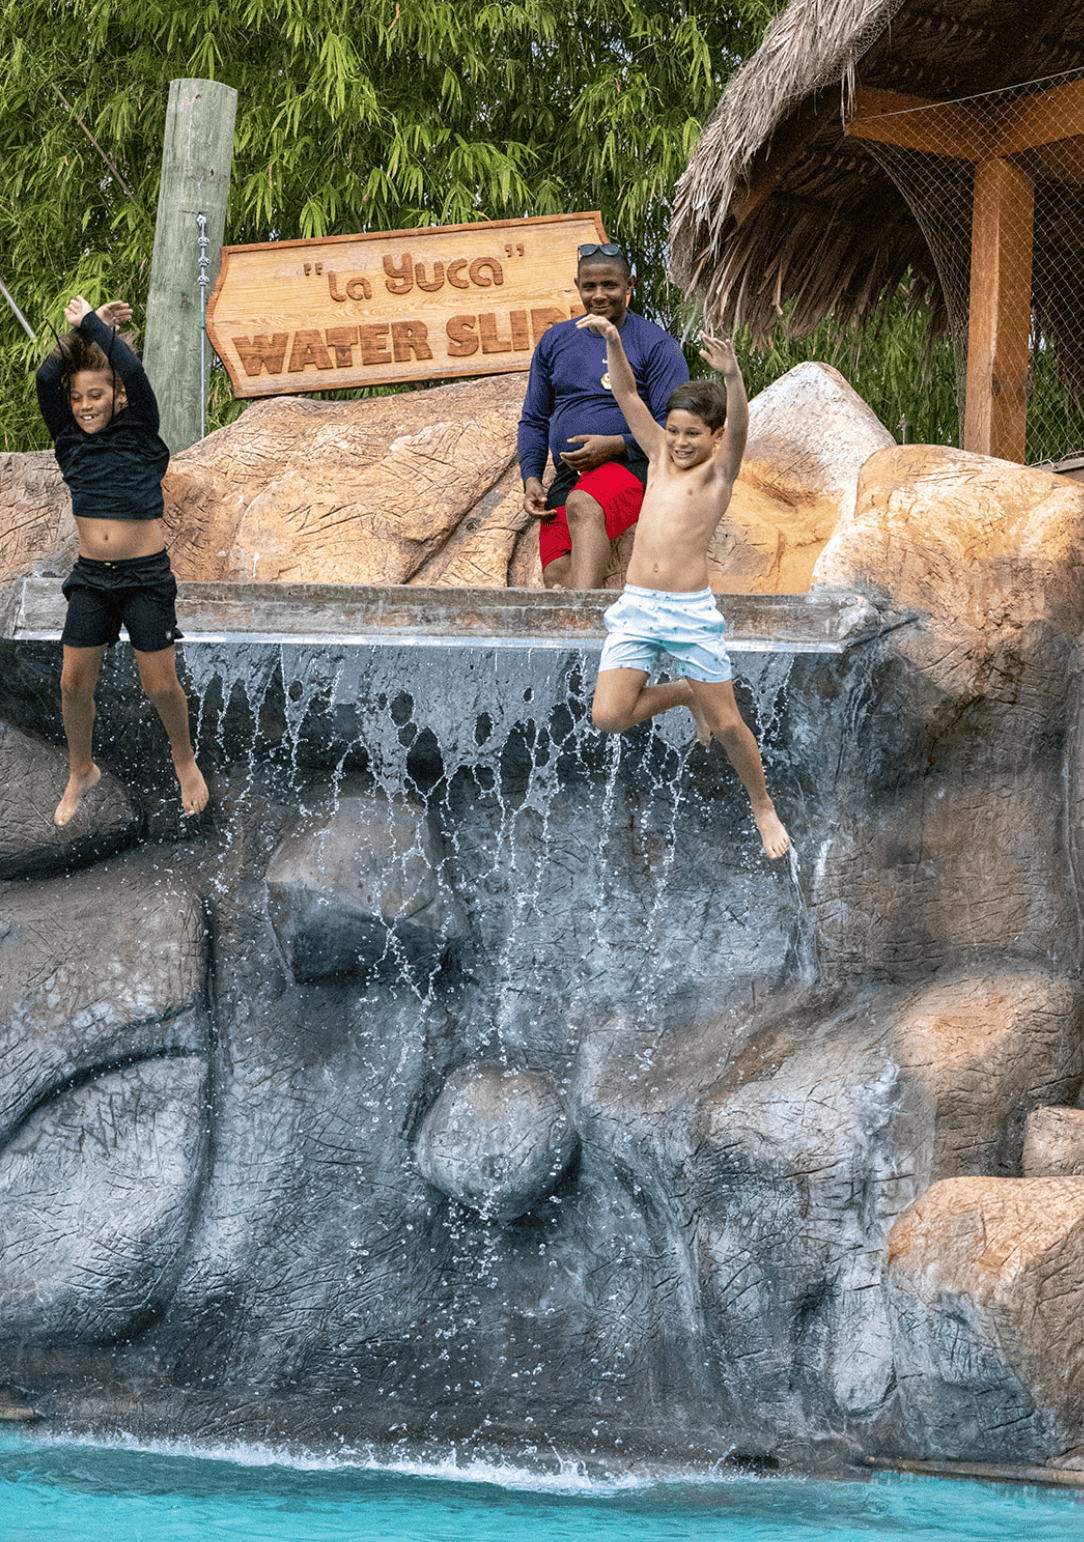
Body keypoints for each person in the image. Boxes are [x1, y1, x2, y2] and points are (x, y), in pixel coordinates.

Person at [578, 313, 790, 860]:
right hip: (637, 608)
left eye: (692, 434)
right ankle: (684, 693)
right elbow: (625, 393)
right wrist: (614, 342)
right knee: (608, 716)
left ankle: (762, 805)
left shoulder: (718, 473)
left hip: (689, 612)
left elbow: (741, 428)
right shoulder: (657, 459)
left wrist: (733, 378)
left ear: (714, 437)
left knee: (725, 722)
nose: (678, 442)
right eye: (673, 430)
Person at [36, 295, 209, 826]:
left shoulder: (140, 433)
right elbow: (47, 379)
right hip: (92, 578)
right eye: (79, 397)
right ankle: (81, 768)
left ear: (118, 398)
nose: (86, 404)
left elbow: (131, 368)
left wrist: (96, 325)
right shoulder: (68, 440)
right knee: (72, 683)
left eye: (97, 394)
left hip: (145, 579)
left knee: (159, 684)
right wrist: (84, 339)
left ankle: (184, 760)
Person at [517, 242, 688, 589]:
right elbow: (534, 419)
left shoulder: (655, 344)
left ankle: (586, 622)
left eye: (609, 285)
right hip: (569, 473)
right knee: (557, 574)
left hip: (634, 468)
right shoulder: (556, 340)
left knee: (584, 504)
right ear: (577, 286)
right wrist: (531, 478)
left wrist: (615, 445)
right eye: (589, 286)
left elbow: (675, 428)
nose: (598, 295)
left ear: (630, 285)